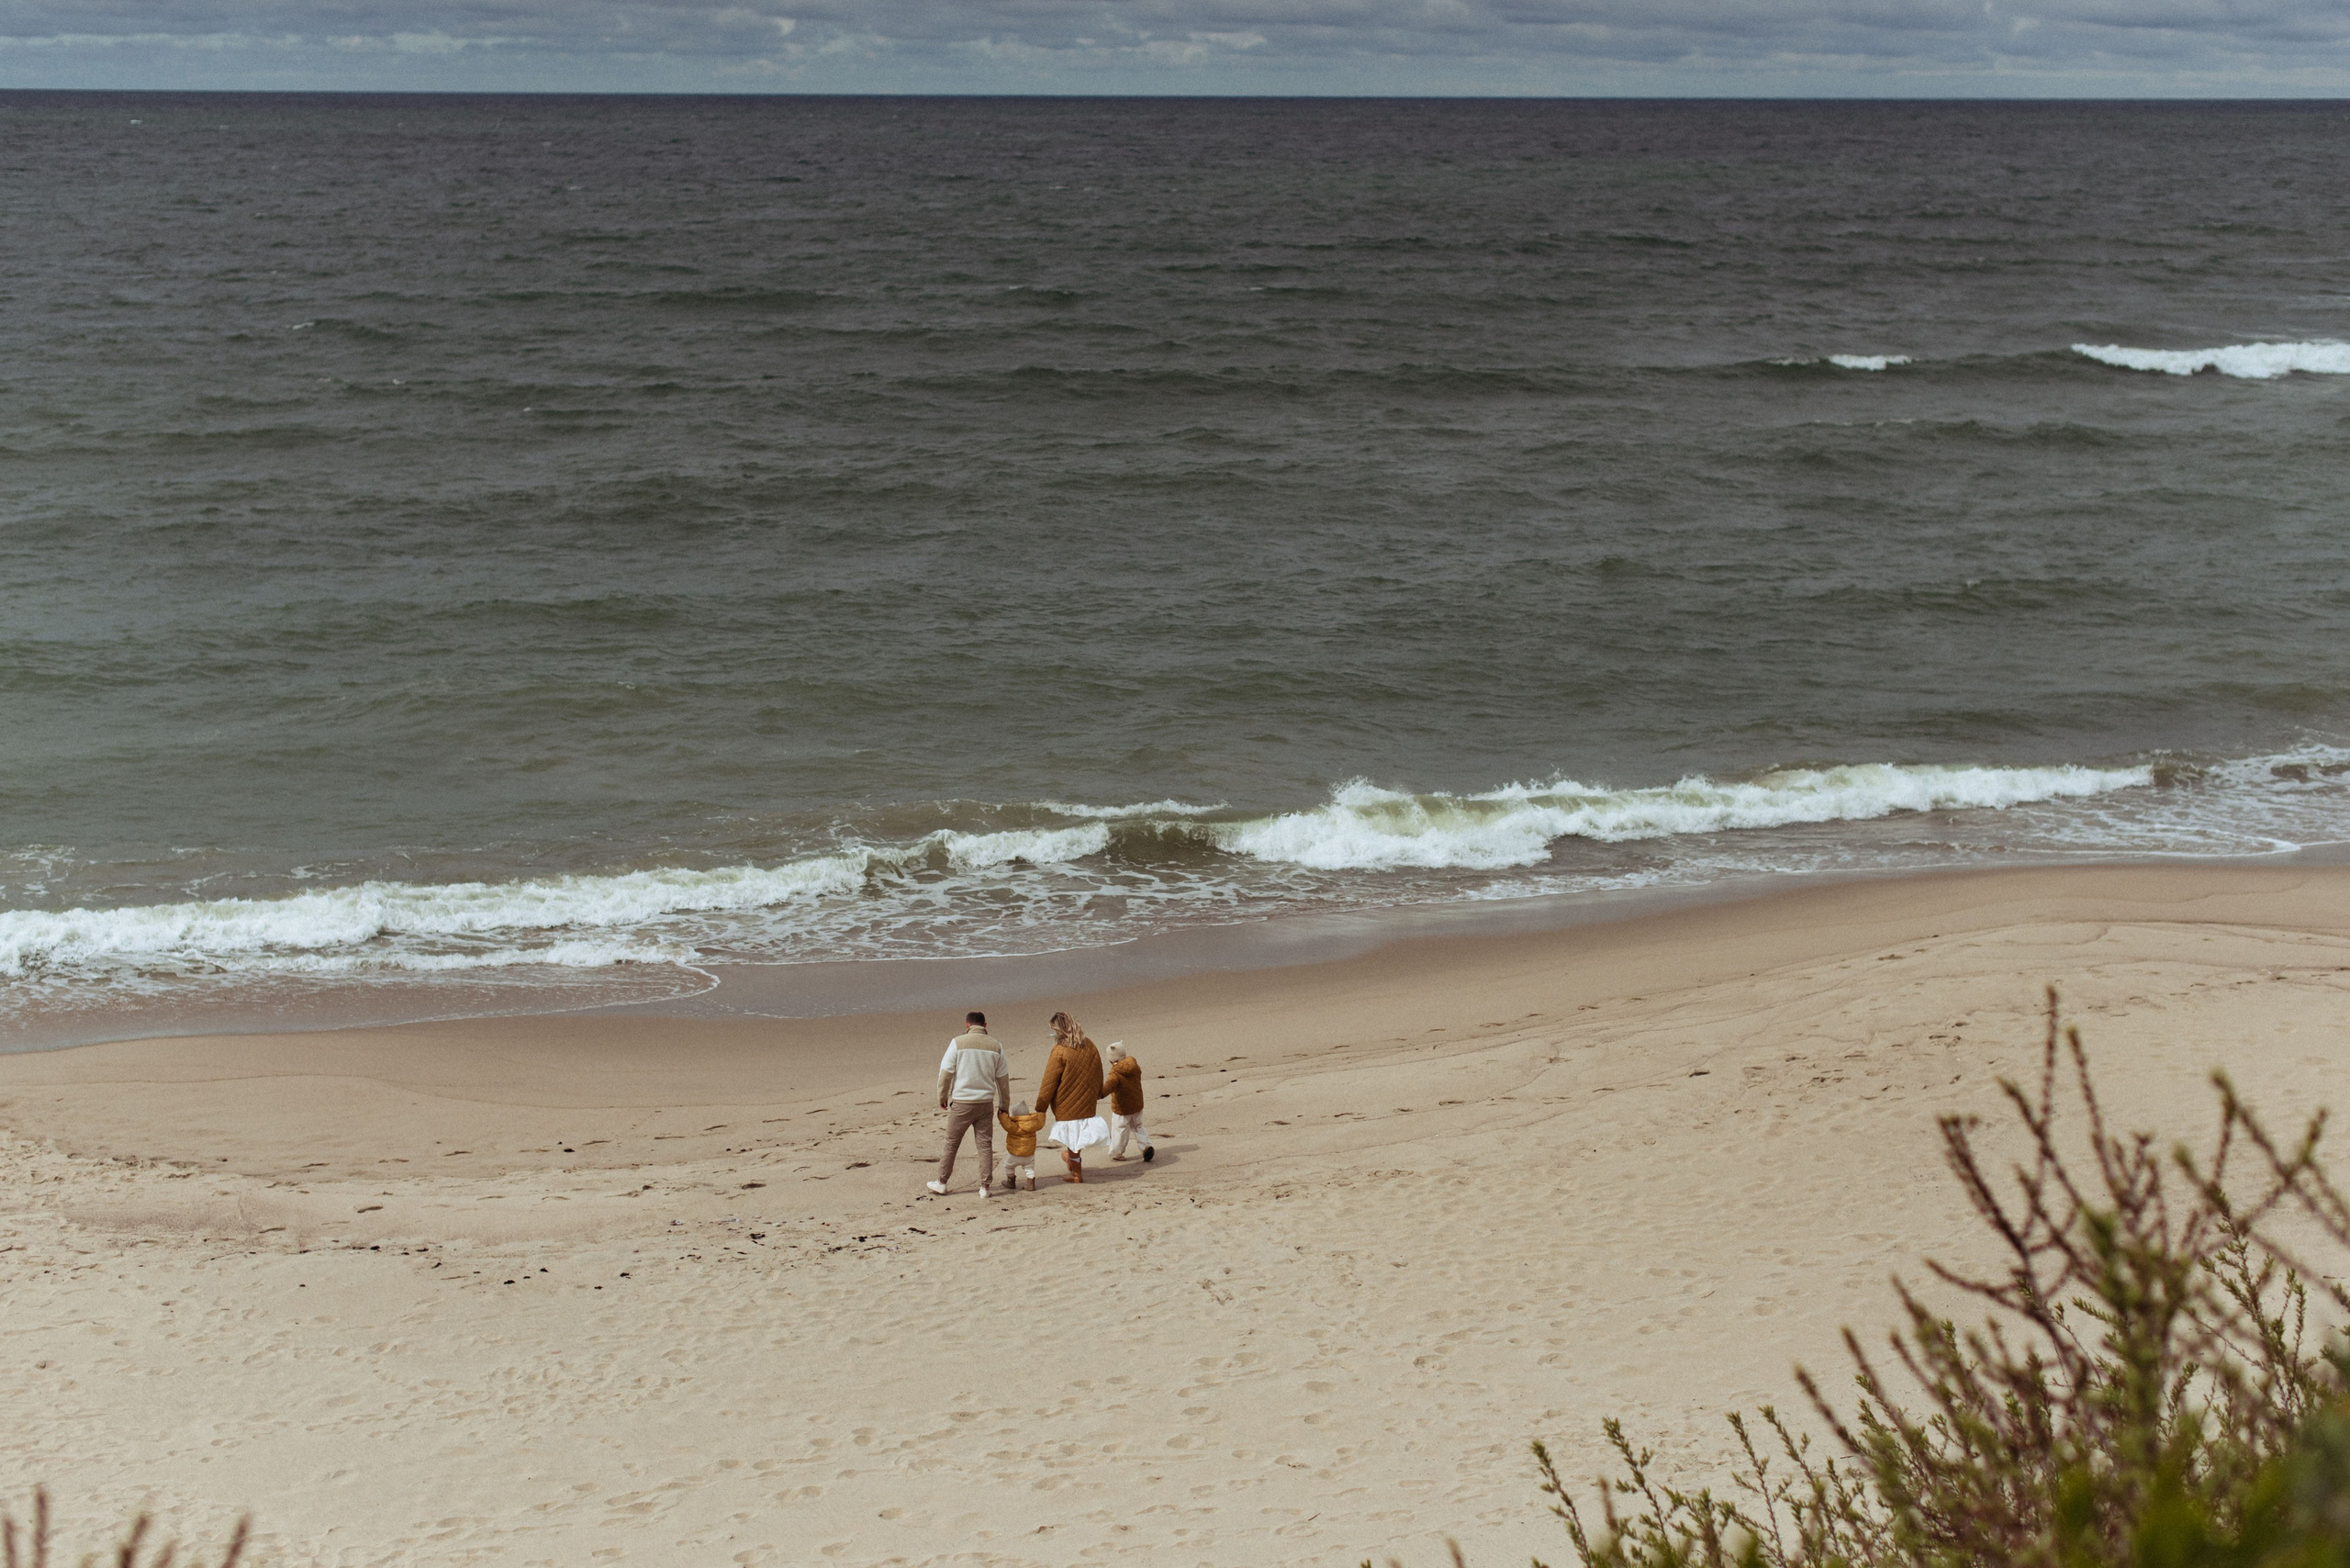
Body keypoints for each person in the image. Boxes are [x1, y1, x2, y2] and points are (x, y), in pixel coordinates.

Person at [927, 1011, 1010, 1198]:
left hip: (962, 1102)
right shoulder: (996, 1046)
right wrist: (1004, 1104)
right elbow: (1002, 1080)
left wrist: (942, 1097)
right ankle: (985, 1187)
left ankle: (941, 1182)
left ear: (967, 1025)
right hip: (985, 1103)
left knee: (952, 1143)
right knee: (984, 1145)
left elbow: (946, 1072)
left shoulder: (957, 1043)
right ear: (985, 1025)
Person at [1034, 1010, 1107, 1183]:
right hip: (1088, 1099)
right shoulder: (1090, 1045)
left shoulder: (1059, 1050)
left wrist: (1040, 1107)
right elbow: (1099, 1071)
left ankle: (1076, 1174)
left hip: (1066, 1101)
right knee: (1075, 1138)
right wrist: (1098, 1093)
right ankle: (1072, 1164)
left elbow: (1049, 1081)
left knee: (1073, 1139)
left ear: (1059, 1031)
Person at [1102, 1043, 1154, 1163]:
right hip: (1137, 1104)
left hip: (1122, 1108)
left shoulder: (1115, 1073)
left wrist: (1099, 1094)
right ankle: (1146, 1145)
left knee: (1119, 1129)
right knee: (1138, 1126)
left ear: (1112, 1060)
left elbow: (1109, 1087)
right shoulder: (1134, 1066)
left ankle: (1116, 1153)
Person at [998, 1099, 1048, 1191]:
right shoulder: (1033, 1124)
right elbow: (1041, 1122)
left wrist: (1002, 1115)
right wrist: (1041, 1112)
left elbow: (1006, 1124)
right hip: (1029, 1154)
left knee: (1008, 1165)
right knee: (1029, 1168)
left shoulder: (1014, 1125)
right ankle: (1031, 1184)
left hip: (1015, 1154)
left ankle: (1010, 1181)